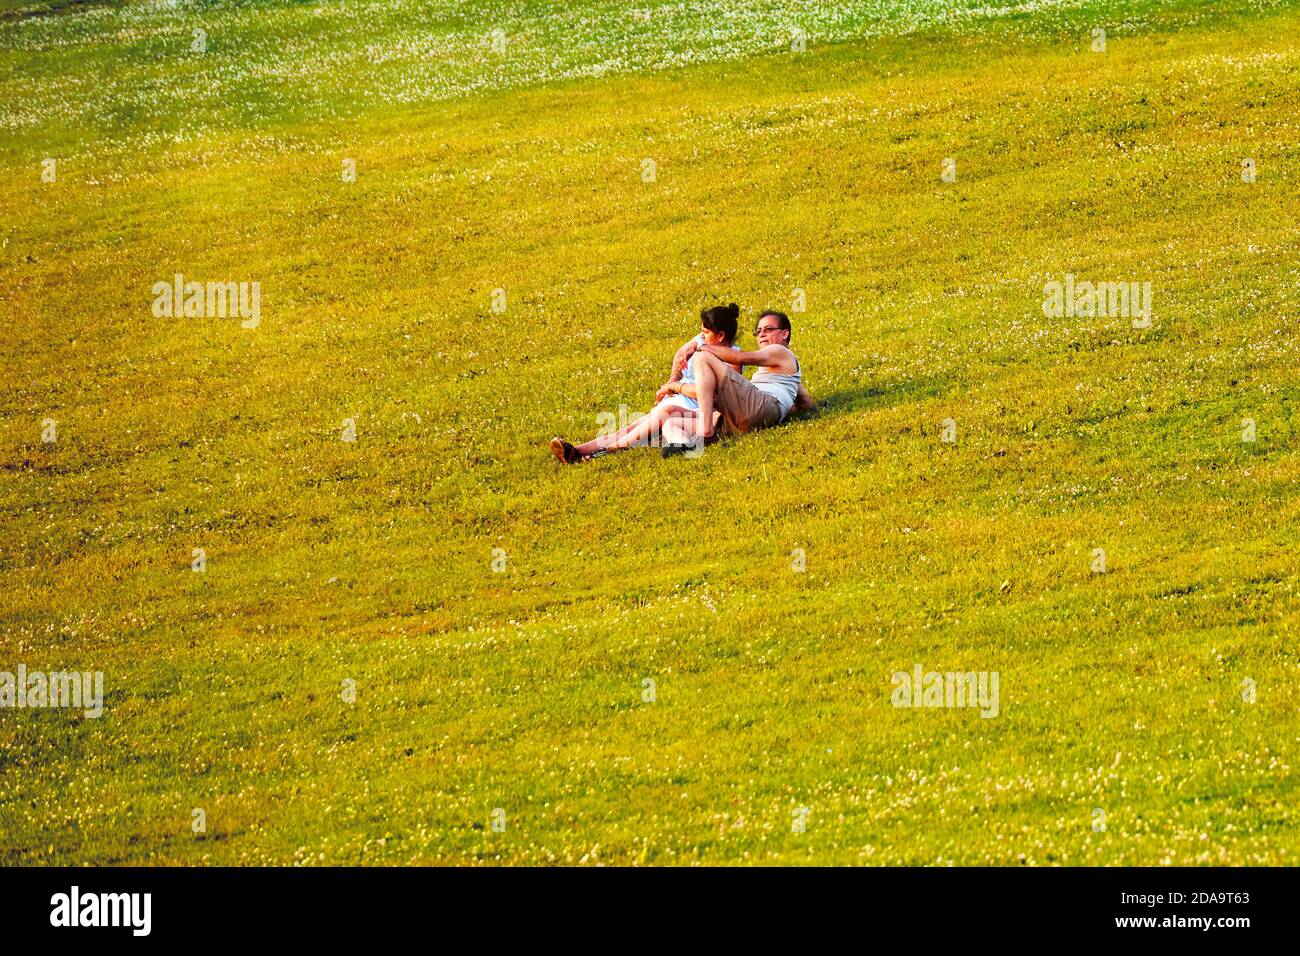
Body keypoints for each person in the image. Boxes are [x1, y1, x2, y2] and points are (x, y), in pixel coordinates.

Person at [549, 304, 743, 464]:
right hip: (679, 398)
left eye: (705, 333)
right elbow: (679, 354)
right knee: (634, 426)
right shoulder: (702, 341)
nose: (701, 336)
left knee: (658, 416)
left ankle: (604, 451)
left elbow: (709, 395)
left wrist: (672, 388)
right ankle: (578, 451)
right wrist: (672, 379)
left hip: (700, 409)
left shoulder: (732, 360)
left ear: (721, 336)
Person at [660, 310, 812, 457]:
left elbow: (740, 358)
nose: (762, 334)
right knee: (672, 422)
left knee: (703, 357)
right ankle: (683, 446)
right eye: (758, 331)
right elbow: (805, 402)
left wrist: (700, 346)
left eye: (768, 329)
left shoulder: (780, 351)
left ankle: (705, 430)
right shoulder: (784, 374)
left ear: (784, 334)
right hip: (746, 418)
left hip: (761, 407)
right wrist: (790, 412)